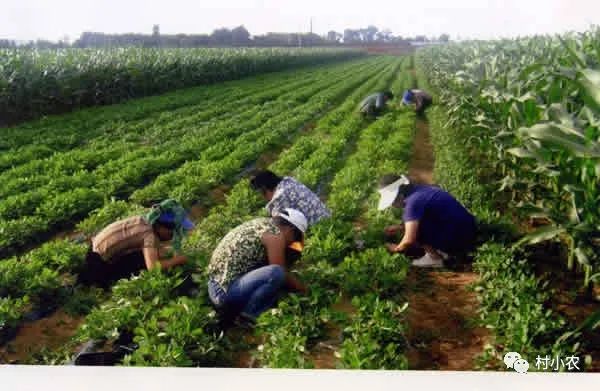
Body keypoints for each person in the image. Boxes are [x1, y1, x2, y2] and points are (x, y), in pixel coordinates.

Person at [207, 208, 308, 326]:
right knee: (276, 272)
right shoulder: (276, 236)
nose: (292, 243)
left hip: (215, 287)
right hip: (224, 294)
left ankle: (247, 310)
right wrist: (302, 289)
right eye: (295, 239)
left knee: (273, 275)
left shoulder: (262, 224)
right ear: (290, 230)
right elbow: (280, 271)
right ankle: (249, 315)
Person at [78, 199, 194, 287]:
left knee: (150, 256)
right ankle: (91, 282)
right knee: (142, 264)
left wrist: (168, 254)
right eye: (172, 231)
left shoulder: (145, 220)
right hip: (97, 261)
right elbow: (153, 268)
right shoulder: (148, 235)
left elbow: (156, 249)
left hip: (96, 248)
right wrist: (180, 259)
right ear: (161, 227)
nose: (173, 235)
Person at [377, 174, 476, 268]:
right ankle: (445, 249)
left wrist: (395, 249)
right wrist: (401, 227)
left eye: (393, 202)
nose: (392, 205)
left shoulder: (413, 203)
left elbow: (409, 240)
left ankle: (435, 258)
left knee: (416, 230)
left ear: (400, 195)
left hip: (459, 238)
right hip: (467, 229)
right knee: (416, 222)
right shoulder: (420, 190)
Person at [250, 170, 330, 226]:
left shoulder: (279, 199)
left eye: (259, 193)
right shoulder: (288, 181)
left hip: (317, 226)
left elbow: (277, 228)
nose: (262, 198)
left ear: (264, 189)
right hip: (326, 215)